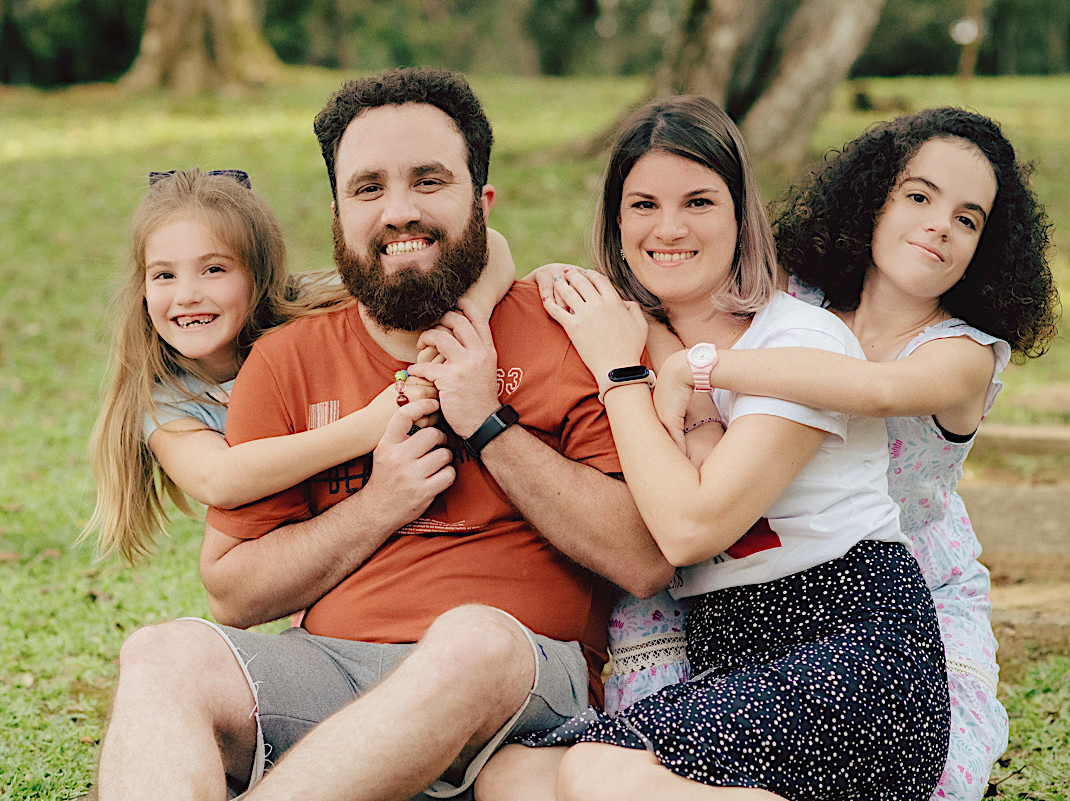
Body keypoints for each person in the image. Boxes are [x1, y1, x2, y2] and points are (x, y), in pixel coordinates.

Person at [94, 68, 673, 801]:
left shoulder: (569, 330)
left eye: (428, 180)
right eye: (368, 188)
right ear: (338, 215)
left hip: (515, 680)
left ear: (481, 201)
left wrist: (485, 425)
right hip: (332, 673)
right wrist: (381, 502)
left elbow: (644, 557)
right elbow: (233, 593)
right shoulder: (287, 357)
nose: (398, 210)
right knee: (161, 652)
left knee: (470, 638)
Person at [480, 94, 950, 801]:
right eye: (642, 205)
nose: (668, 228)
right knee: (513, 775)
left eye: (698, 201)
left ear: (740, 216)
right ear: (616, 220)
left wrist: (620, 374)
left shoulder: (797, 341)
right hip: (735, 659)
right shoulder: (633, 333)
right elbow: (492, 260)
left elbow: (691, 526)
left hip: (856, 645)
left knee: (594, 772)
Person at [644, 106, 1058, 800]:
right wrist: (689, 399)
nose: (938, 225)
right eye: (919, 196)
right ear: (874, 198)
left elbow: (871, 388)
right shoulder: (793, 298)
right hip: (766, 566)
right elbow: (665, 315)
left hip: (902, 591)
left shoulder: (963, 356)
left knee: (923, 777)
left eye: (967, 218)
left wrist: (706, 369)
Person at [81, 167, 516, 564]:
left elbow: (492, 246)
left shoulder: (313, 302)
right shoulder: (167, 400)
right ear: (141, 287)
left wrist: (455, 338)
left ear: (260, 275)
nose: (187, 294)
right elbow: (218, 479)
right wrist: (370, 423)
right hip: (310, 541)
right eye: (164, 275)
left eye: (213, 269)